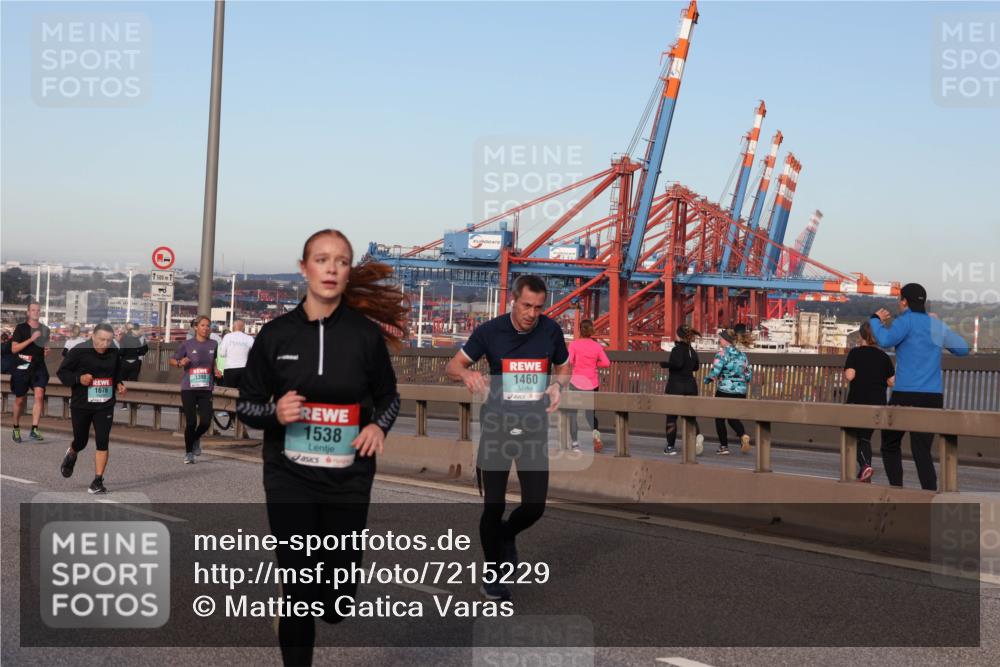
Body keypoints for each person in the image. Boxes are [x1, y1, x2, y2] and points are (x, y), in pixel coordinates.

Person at [237, 229, 404, 667]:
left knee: (336, 603)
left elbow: (390, 398)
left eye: (341, 261)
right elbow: (247, 406)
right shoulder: (275, 335)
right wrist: (276, 413)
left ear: (349, 272)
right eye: (322, 259)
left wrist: (377, 428)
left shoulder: (365, 336)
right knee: (299, 588)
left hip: (348, 478)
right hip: (289, 475)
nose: (331, 268)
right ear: (304, 268)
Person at [445, 274, 570, 603]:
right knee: (494, 505)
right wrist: (468, 373)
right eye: (527, 305)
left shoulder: (551, 331)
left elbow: (563, 367)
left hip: (533, 428)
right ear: (513, 300)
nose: (532, 313)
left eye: (539, 307)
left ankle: (507, 534)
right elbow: (453, 366)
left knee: (534, 506)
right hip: (497, 428)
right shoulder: (490, 332)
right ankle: (493, 576)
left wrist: (559, 385)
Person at [870, 283, 969, 490]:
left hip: (905, 395)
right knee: (922, 450)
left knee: (889, 443)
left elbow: (885, 340)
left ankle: (897, 489)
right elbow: (962, 349)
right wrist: (941, 326)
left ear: (904, 301)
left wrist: (875, 320)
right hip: (932, 397)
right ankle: (929, 496)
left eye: (900, 300)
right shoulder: (935, 326)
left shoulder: (905, 321)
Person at [56, 323, 126, 494]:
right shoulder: (79, 351)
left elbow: (115, 374)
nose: (105, 344)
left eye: (109, 340)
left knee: (103, 440)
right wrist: (79, 378)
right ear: (93, 336)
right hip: (82, 404)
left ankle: (97, 480)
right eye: (102, 339)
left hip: (105, 404)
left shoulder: (114, 353)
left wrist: (119, 384)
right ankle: (72, 452)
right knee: (81, 441)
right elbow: (62, 373)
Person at [844, 321, 895, 483]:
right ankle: (864, 471)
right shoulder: (884, 357)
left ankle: (865, 466)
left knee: (853, 436)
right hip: (878, 403)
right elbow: (891, 382)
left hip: (857, 402)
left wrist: (849, 369)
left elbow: (850, 376)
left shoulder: (855, 353)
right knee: (865, 437)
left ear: (861, 336)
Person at [170, 315, 222, 463]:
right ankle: (188, 453)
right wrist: (181, 362)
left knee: (205, 422)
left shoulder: (213, 344)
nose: (206, 328)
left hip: (206, 388)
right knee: (191, 422)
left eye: (208, 325)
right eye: (203, 325)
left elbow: (214, 362)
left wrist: (216, 370)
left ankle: (195, 438)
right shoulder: (187, 344)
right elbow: (172, 360)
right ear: (196, 327)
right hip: (189, 389)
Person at [704, 329, 752, 455]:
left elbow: (715, 372)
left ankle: (724, 446)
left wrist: (707, 379)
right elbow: (748, 375)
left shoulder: (721, 354)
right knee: (733, 417)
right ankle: (743, 435)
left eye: (720, 338)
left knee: (720, 418)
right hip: (741, 391)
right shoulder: (742, 355)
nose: (719, 340)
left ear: (725, 340)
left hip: (725, 390)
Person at [566, 319, 609, 452]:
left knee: (573, 414)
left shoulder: (574, 344)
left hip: (576, 383)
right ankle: (596, 437)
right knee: (590, 414)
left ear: (580, 330)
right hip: (592, 383)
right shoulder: (597, 346)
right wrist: (595, 364)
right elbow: (607, 363)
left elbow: (569, 361)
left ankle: (575, 444)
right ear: (591, 330)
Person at [10, 302, 51, 443]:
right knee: (20, 400)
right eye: (33, 310)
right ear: (28, 312)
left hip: (38, 367)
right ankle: (16, 427)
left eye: (38, 310)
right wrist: (31, 339)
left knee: (39, 396)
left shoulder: (45, 330)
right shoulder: (21, 328)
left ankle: (34, 429)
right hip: (22, 365)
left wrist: (46, 350)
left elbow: (43, 348)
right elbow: (14, 349)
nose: (36, 312)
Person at [661, 325, 704, 456]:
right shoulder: (692, 351)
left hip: (676, 387)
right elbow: (696, 367)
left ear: (679, 335)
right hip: (691, 387)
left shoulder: (676, 349)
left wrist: (665, 364)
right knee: (690, 417)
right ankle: (697, 437)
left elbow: (678, 364)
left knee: (671, 418)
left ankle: (670, 447)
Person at [118, 323, 149, 409]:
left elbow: (121, 351)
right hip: (135, 362)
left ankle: (124, 404)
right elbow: (143, 351)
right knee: (133, 382)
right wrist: (137, 353)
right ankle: (134, 403)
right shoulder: (137, 339)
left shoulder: (123, 339)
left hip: (125, 362)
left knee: (123, 382)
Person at [218, 319, 254, 390]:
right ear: (243, 328)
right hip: (244, 368)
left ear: (233, 327)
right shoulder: (249, 338)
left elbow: (222, 353)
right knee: (243, 392)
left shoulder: (227, 337)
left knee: (228, 392)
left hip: (230, 368)